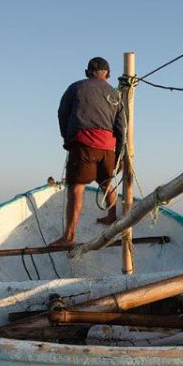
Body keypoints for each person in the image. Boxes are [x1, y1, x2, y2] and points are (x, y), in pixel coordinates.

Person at [49, 57, 125, 248]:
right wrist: (119, 155)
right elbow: (121, 126)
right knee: (106, 182)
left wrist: (67, 137)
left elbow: (62, 113)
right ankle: (112, 216)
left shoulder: (75, 88)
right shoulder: (115, 94)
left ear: (87, 72)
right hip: (108, 148)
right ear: (108, 74)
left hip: (84, 145)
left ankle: (69, 236)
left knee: (77, 187)